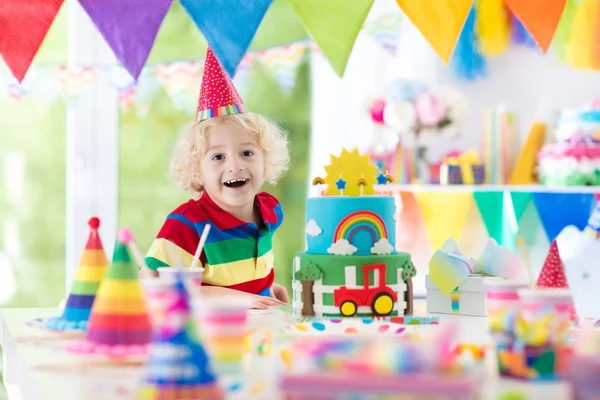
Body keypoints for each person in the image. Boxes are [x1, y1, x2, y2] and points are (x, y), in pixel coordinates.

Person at [143, 48, 290, 309]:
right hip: (208, 336)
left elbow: (246, 279)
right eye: (217, 157)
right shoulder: (187, 224)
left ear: (265, 159)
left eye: (247, 152)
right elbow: (152, 284)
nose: (235, 165)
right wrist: (243, 300)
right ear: (196, 169)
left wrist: (269, 289)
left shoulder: (270, 211)